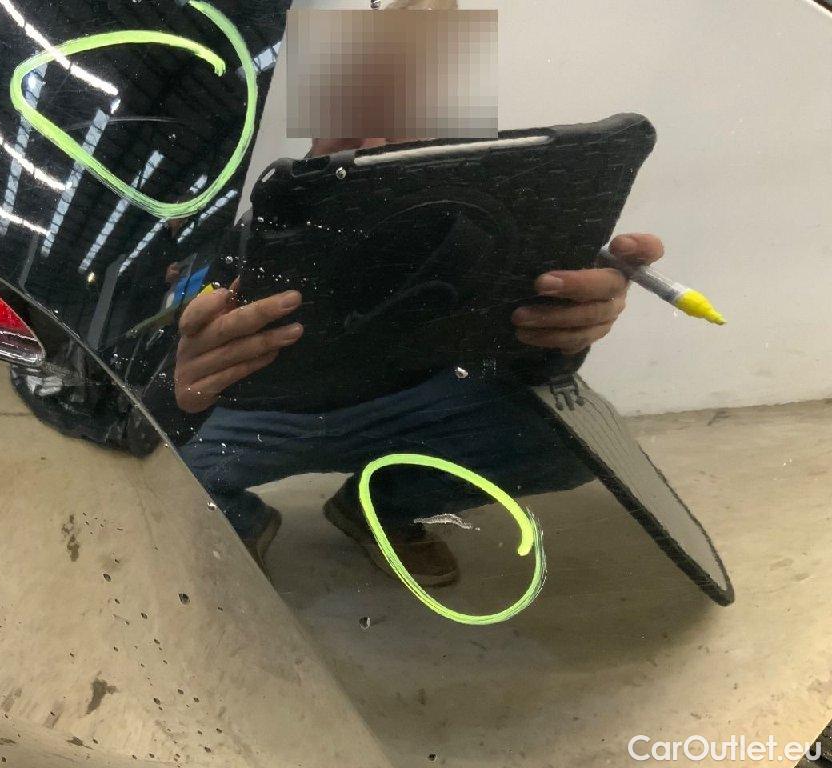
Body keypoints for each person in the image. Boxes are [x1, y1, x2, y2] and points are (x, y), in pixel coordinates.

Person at [171, 3, 666, 586]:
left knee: (568, 442)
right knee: (151, 460)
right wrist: (183, 371)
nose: (376, 129)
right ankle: (240, 520)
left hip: (417, 404)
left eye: (414, 94)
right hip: (258, 419)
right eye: (359, 91)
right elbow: (159, 368)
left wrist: (567, 335)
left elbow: (526, 372)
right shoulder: (251, 224)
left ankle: (383, 508)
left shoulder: (487, 223)